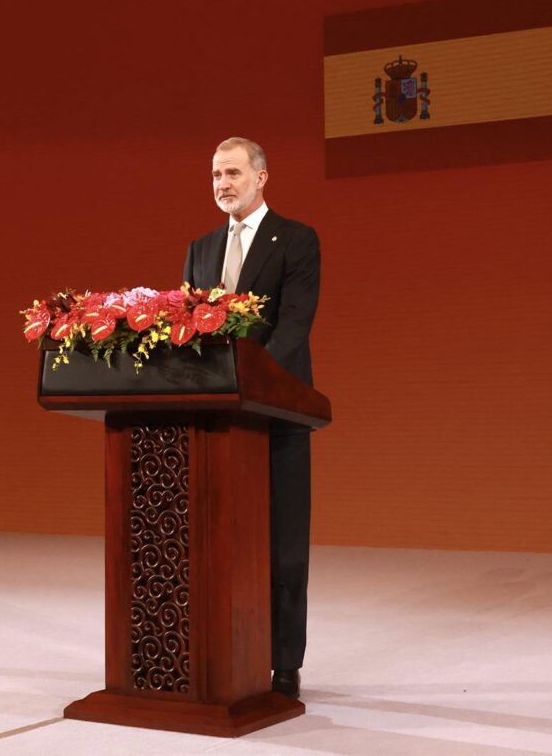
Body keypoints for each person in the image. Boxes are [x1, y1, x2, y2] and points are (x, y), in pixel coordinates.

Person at [183, 137, 321, 699]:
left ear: (261, 177)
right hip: (218, 419)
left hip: (277, 410)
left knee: (283, 543)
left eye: (234, 173)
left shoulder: (297, 240)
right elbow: (190, 325)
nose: (223, 183)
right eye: (216, 174)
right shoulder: (200, 247)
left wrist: (248, 380)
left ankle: (284, 665)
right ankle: (222, 654)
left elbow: (294, 327)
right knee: (220, 541)